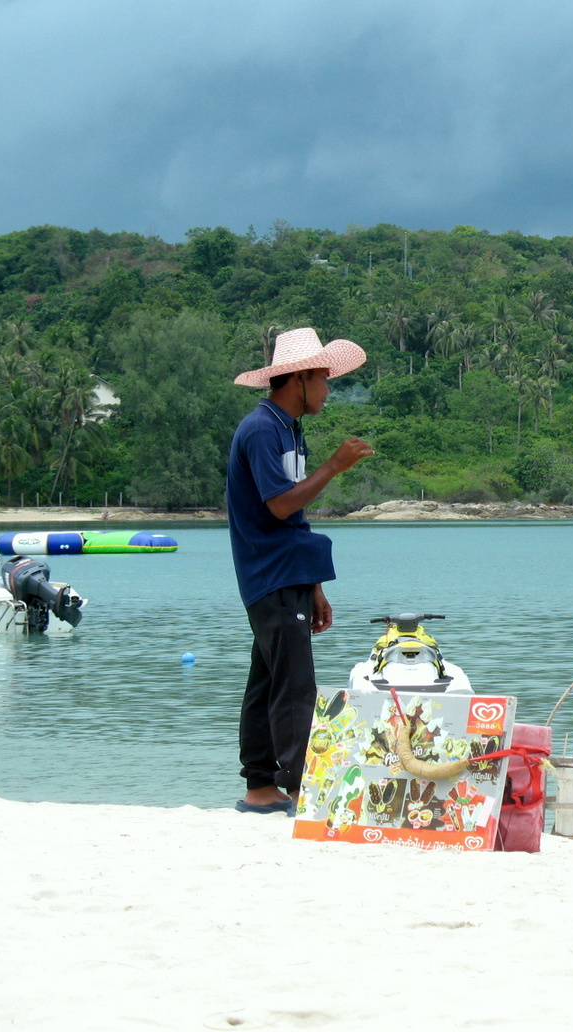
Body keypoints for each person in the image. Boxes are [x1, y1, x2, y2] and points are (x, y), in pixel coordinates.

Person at [227, 327, 374, 814]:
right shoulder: (261, 429)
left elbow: (298, 516)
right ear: (300, 378)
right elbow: (280, 507)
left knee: (268, 680)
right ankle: (298, 790)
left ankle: (260, 787)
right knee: (294, 684)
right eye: (324, 379)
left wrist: (313, 585)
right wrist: (335, 467)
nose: (329, 390)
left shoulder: (289, 428)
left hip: (288, 571)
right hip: (268, 570)